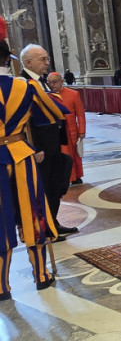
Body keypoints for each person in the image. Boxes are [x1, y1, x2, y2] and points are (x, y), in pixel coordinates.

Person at [0, 39, 62, 299]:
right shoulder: (26, 86)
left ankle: (2, 286)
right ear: (8, 59)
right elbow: (53, 114)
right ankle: (40, 274)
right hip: (20, 154)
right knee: (32, 213)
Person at [18, 44, 77, 236]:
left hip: (53, 142)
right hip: (40, 147)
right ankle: (44, 227)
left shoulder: (43, 81)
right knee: (43, 187)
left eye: (47, 59)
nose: (47, 62)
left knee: (56, 184)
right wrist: (34, 147)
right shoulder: (22, 84)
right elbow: (25, 120)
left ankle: (52, 221)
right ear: (28, 62)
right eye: (42, 59)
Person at [47, 72, 86, 185]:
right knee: (61, 155)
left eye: (54, 82)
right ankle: (64, 177)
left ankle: (75, 176)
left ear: (61, 81)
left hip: (71, 130)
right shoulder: (47, 96)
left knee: (73, 155)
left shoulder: (73, 94)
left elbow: (80, 114)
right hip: (55, 131)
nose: (52, 85)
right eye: (49, 82)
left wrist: (82, 131)